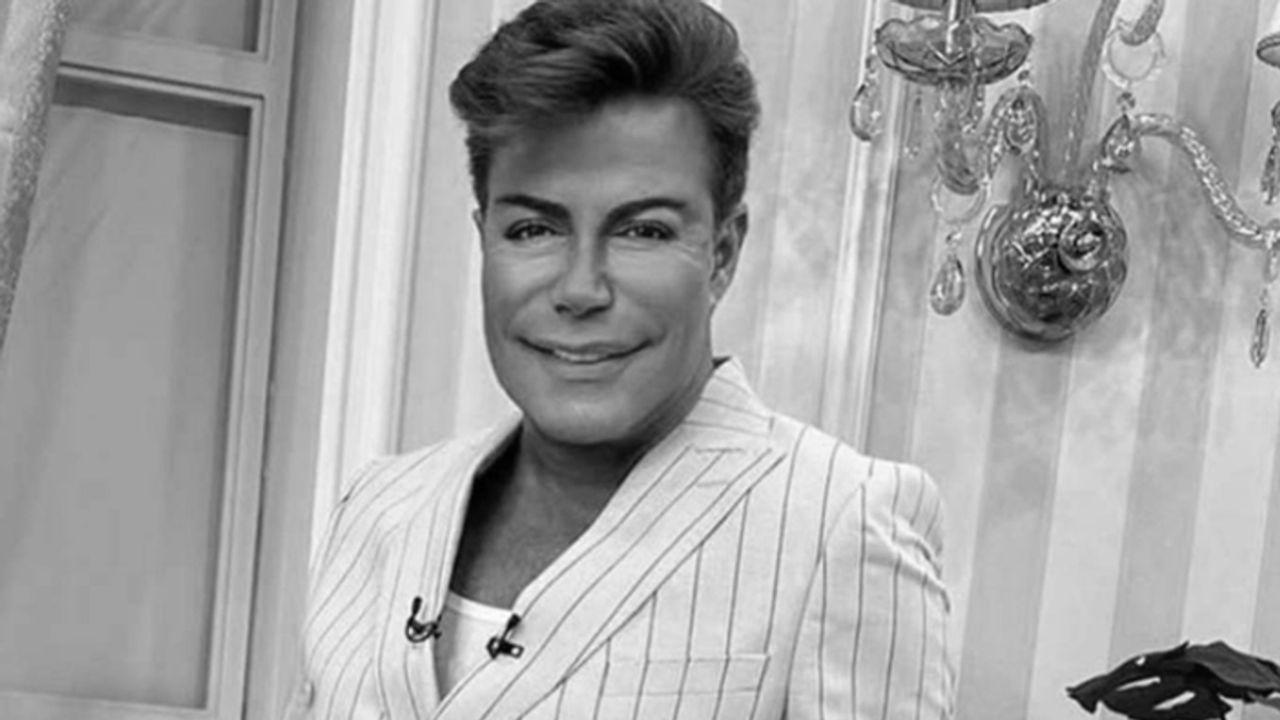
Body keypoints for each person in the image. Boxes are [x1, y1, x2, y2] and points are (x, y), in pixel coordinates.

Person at [295, 0, 953, 717]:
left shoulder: (842, 523)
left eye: (643, 230)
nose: (581, 289)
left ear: (722, 254)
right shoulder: (380, 507)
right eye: (533, 229)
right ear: (485, 238)